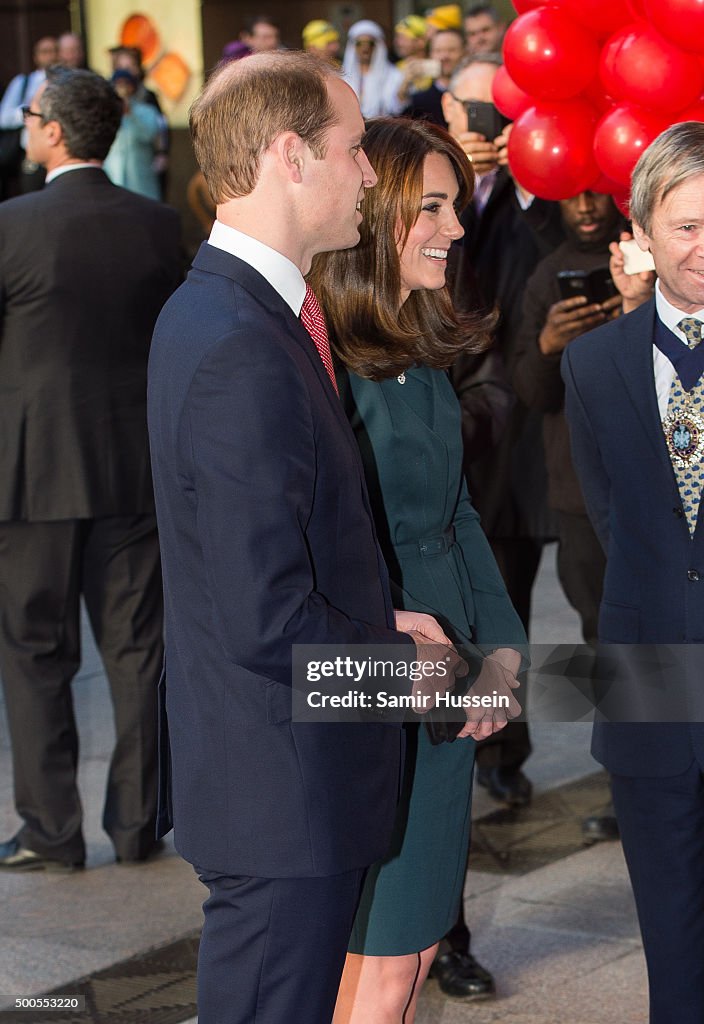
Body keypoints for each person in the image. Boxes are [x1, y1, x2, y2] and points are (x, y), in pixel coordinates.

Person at [147, 52, 465, 1024]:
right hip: (281, 788)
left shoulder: (236, 309)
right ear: (291, 156)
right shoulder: (242, 339)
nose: (369, 172)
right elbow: (264, 615)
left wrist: (380, 616)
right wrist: (393, 666)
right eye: (354, 147)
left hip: (274, 769)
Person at [310, 116, 524, 1024]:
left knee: (416, 941)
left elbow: (457, 512)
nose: (457, 226)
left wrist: (503, 652)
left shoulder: (419, 351)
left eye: (455, 203)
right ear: (378, 212)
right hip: (373, 676)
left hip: (447, 678)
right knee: (381, 952)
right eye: (432, 206)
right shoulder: (320, 362)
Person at [0, 67, 181, 872]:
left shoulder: (12, 224)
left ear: (55, 133)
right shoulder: (157, 224)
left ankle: (51, 832)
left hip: (32, 475)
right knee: (138, 651)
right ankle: (138, 827)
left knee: (36, 652)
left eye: (33, 115)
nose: (26, 126)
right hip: (133, 470)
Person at [563, 120, 704, 1024]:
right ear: (642, 234)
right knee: (670, 922)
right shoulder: (594, 363)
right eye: (686, 226)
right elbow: (611, 514)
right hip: (648, 676)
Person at [0, 36, 57, 197]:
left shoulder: (67, 80)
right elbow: (3, 117)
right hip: (32, 154)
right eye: (45, 52)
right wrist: (31, 112)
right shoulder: (24, 82)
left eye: (54, 51)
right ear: (36, 56)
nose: (50, 56)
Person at [401, 28, 465, 127]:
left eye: (451, 50)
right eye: (438, 51)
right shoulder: (419, 103)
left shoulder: (473, 97)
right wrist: (404, 85)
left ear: (464, 53)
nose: (444, 56)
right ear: (430, 55)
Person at [342, 20, 404, 118]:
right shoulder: (341, 77)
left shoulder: (394, 75)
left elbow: (397, 107)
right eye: (359, 43)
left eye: (370, 43)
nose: (365, 49)